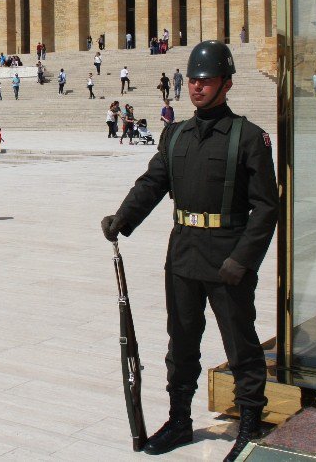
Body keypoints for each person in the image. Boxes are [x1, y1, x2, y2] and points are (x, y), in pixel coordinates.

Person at [100, 41, 278, 460]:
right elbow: (153, 182)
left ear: (226, 84)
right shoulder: (176, 133)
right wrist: (123, 218)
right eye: (194, 80)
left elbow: (267, 207)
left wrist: (243, 259)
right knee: (180, 342)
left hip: (228, 258)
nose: (197, 88)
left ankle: (250, 424)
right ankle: (179, 419)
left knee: (241, 344)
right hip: (182, 253)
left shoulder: (248, 137)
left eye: (207, 80)